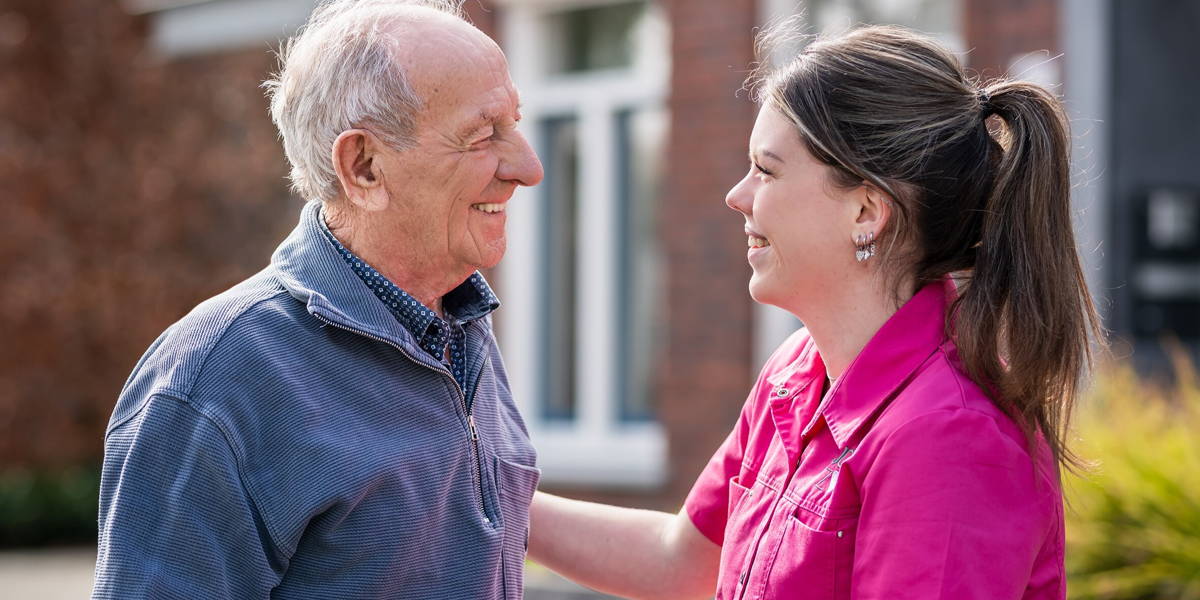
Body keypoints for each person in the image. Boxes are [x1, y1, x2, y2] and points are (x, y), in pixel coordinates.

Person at [528, 24, 1101, 600]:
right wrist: (477, 490)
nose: (738, 195)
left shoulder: (949, 434)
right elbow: (679, 562)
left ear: (867, 212)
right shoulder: (796, 371)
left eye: (767, 170)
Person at [93, 1, 543, 598]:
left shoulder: (460, 327)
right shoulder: (216, 381)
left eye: (515, 124)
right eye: (484, 134)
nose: (528, 167)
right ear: (364, 167)